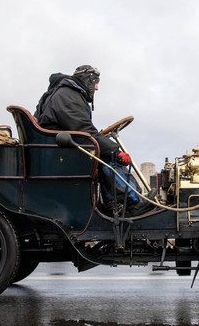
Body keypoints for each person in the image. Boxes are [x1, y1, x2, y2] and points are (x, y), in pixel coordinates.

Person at [35, 65, 148, 214]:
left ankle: (112, 205)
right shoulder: (67, 95)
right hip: (60, 154)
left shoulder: (63, 93)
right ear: (88, 80)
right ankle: (132, 203)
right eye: (96, 82)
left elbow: (81, 129)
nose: (97, 87)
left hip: (57, 150)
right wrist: (115, 151)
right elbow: (83, 129)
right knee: (109, 158)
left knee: (101, 150)